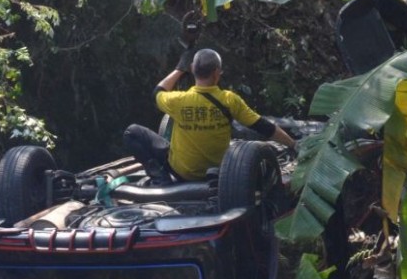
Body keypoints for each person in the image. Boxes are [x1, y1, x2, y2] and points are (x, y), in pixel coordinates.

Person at [124, 47, 298, 182]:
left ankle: (160, 178)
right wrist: (293, 144)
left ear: (192, 69)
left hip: (182, 172)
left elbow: (157, 92)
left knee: (132, 132)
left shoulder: (177, 101)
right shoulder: (229, 100)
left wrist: (179, 69)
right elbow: (264, 127)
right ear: (217, 72)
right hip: (217, 171)